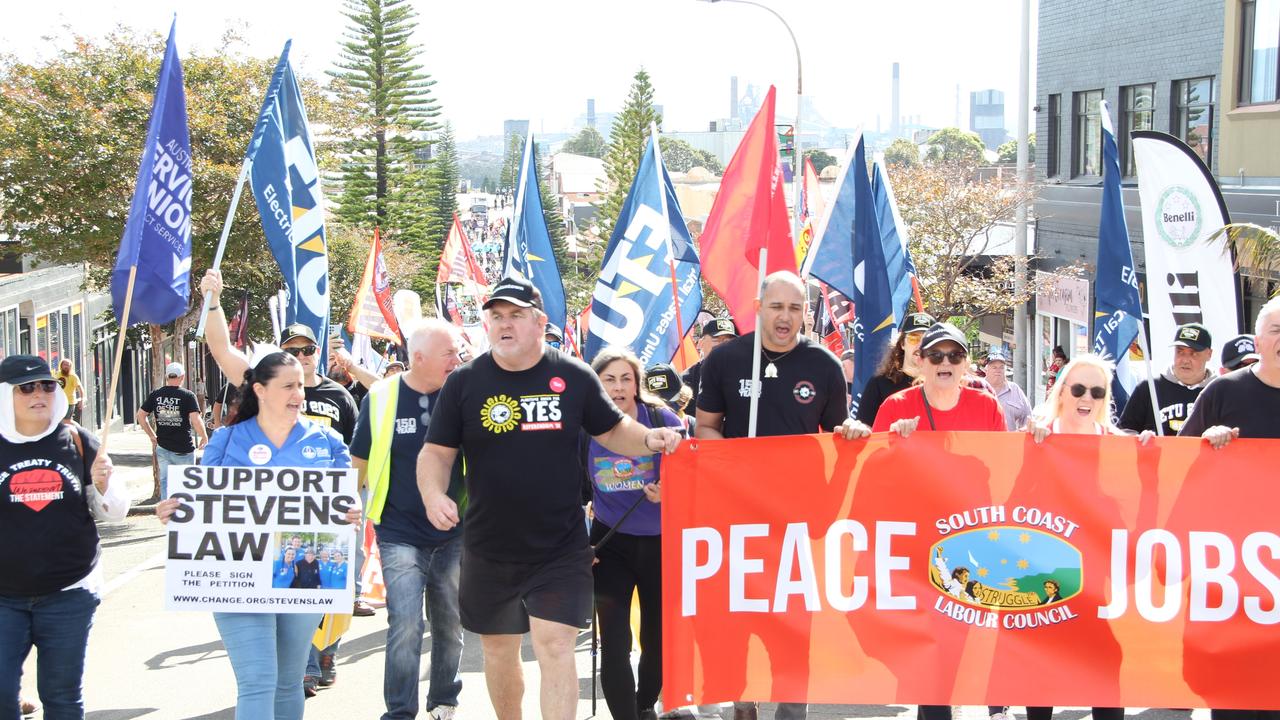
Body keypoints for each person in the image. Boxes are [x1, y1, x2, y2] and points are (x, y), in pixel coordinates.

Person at [417, 275, 683, 720]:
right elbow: (436, 453)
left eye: (516, 316)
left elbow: (615, 429)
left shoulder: (573, 376)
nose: (505, 324)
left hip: (560, 548)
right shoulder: (464, 383)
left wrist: (650, 439)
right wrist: (432, 493)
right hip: (489, 547)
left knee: (556, 645)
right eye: (497, 316)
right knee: (500, 651)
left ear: (539, 322)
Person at [695, 271, 871, 720]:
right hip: (738, 516)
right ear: (758, 308)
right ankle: (743, 702)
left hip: (799, 520)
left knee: (795, 624)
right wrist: (741, 463)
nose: (785, 317)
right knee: (742, 616)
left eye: (795, 308)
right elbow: (705, 427)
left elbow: (835, 436)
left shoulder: (825, 366)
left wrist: (850, 431)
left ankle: (792, 711)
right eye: (777, 306)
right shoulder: (727, 360)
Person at [156, 350, 359, 720]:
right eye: (288, 386)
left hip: (299, 582)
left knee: (288, 681)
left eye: (301, 385)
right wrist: (175, 511)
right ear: (261, 390)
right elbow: (198, 503)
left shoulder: (327, 441)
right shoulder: (228, 439)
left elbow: (343, 501)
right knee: (258, 681)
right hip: (239, 579)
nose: (299, 394)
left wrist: (350, 512)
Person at [200, 270, 364, 678]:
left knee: (325, 594)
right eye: (294, 349)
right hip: (259, 534)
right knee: (275, 661)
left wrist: (351, 504)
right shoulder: (262, 384)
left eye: (308, 348)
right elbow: (221, 350)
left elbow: (352, 458)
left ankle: (322, 654)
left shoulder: (337, 397)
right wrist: (214, 300)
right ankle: (305, 667)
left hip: (319, 527)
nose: (304, 355)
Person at [870, 322, 1004, 720]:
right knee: (932, 646)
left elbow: (1005, 470)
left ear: (966, 365)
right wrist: (894, 444)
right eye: (937, 355)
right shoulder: (895, 409)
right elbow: (872, 473)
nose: (945, 362)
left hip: (971, 542)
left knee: (962, 642)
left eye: (955, 355)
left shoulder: (987, 407)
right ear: (920, 362)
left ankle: (971, 703)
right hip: (917, 544)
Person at [0, 354, 127, 719]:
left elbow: (115, 511)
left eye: (46, 386)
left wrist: (103, 485)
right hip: (4, 598)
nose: (38, 394)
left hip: (69, 593)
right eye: (27, 388)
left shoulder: (76, 439)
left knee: (62, 698)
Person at [351, 319, 466, 720]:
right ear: (418, 359)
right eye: (449, 353)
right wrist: (344, 505)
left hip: (454, 533)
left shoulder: (464, 395)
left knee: (449, 623)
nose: (458, 359)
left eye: (458, 352)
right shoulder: (381, 398)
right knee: (405, 625)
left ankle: (444, 700)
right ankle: (400, 711)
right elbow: (360, 461)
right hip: (398, 531)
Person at [1179, 298, 1280, 720]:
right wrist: (1208, 441)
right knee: (1238, 705)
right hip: (1237, 585)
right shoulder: (1223, 391)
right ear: (1259, 339)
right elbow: (1174, 465)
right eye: (1278, 330)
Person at [1021, 353, 1136, 720]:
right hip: (1045, 576)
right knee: (1041, 671)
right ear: (1062, 393)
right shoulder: (1034, 440)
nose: (1088, 398)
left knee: (1106, 668)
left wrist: (1148, 455)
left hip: (1100, 580)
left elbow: (1137, 507)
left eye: (1098, 392)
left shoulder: (1120, 445)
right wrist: (1029, 449)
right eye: (1080, 389)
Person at [586, 348, 683, 720]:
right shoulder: (586, 427)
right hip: (608, 544)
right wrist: (582, 544)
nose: (618, 387)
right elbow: (571, 490)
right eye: (609, 379)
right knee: (614, 641)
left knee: (656, 641)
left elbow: (694, 470)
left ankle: (644, 704)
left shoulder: (662, 418)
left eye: (626, 378)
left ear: (637, 384)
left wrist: (669, 491)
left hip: (660, 543)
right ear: (596, 386)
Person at [1119, 322, 1214, 436]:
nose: (1185, 360)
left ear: (1209, 354)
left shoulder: (1219, 390)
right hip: (1156, 454)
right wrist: (1140, 439)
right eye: (1180, 352)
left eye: (1193, 354)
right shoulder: (1149, 388)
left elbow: (1236, 433)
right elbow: (1123, 432)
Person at [136, 362, 208, 500]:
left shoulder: (156, 395)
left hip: (163, 447)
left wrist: (152, 436)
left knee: (165, 482)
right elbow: (196, 419)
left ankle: (168, 515)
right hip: (183, 448)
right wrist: (204, 436)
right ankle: (185, 514)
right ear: (183, 377)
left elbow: (140, 415)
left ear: (166, 376)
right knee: (186, 484)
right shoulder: (187, 395)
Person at [855, 312, 936, 425]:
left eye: (926, 340)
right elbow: (864, 429)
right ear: (902, 343)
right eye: (914, 338)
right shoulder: (879, 383)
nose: (920, 346)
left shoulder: (941, 384)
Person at [682, 317, 737, 406]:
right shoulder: (687, 379)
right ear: (701, 343)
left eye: (728, 340)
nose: (723, 345)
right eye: (716, 340)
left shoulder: (746, 373)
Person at [984, 351, 1031, 431]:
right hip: (981, 441)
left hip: (1009, 441)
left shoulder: (1014, 389)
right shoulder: (977, 388)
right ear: (986, 370)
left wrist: (1023, 431)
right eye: (994, 367)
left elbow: (1027, 416)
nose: (998, 370)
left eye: (1001, 367)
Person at [52, 358, 84, 424]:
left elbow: (80, 388)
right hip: (59, 402)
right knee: (59, 420)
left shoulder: (73, 376)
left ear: (70, 366)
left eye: (68, 365)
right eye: (65, 364)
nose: (66, 366)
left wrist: (81, 400)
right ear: (61, 365)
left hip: (70, 402)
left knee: (66, 421)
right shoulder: (57, 375)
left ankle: (74, 431)